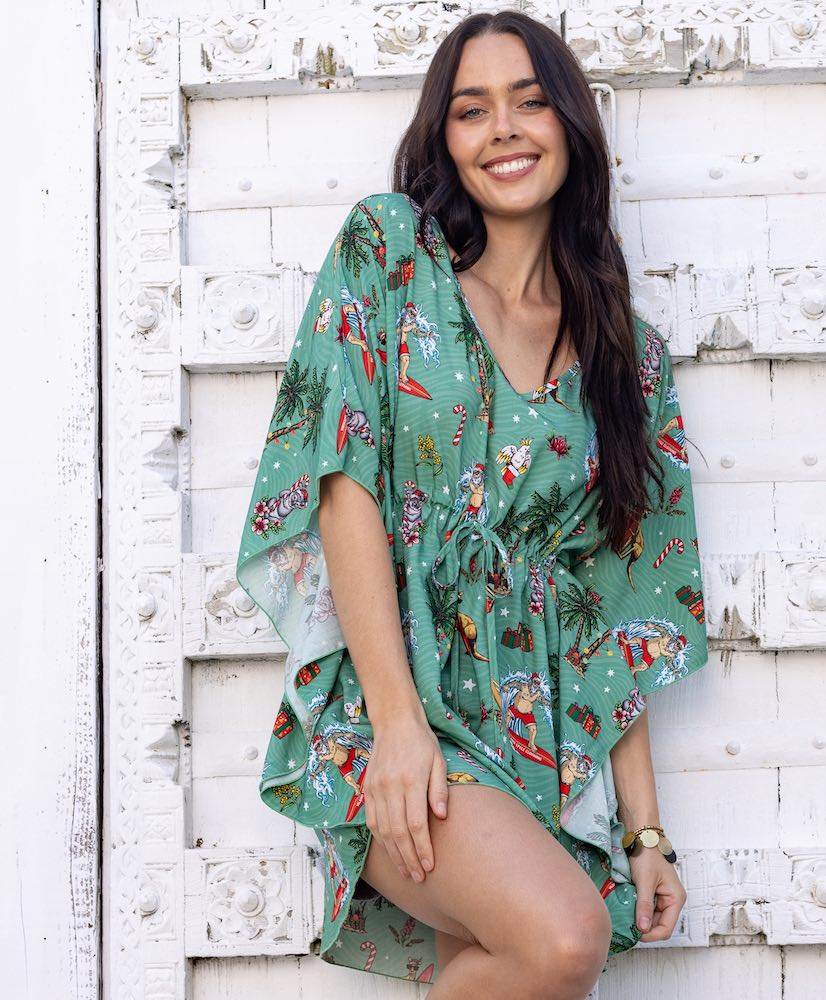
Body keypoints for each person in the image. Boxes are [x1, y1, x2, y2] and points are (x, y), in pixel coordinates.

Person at [235, 10, 709, 998]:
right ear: (443, 139)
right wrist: (400, 730)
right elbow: (342, 485)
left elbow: (614, 606)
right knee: (564, 941)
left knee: (515, 967)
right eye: (471, 109)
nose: (503, 129)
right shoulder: (392, 254)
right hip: (392, 712)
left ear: (570, 126)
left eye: (529, 102)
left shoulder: (628, 360)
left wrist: (645, 832)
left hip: (533, 734)